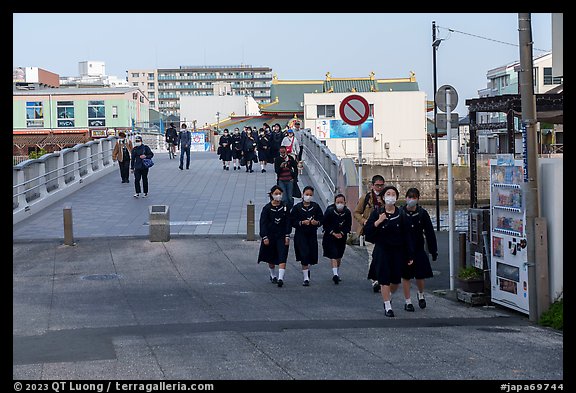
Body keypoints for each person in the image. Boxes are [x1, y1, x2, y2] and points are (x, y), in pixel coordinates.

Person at [364, 185, 414, 317]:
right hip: (382, 250)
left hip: (397, 251)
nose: (390, 197)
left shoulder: (401, 214)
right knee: (384, 278)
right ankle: (387, 306)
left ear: (397, 198)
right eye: (388, 194)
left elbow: (407, 235)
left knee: (395, 281)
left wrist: (409, 254)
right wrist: (378, 222)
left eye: (393, 194)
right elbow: (368, 232)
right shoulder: (377, 213)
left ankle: (389, 296)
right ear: (383, 197)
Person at [400, 187, 438, 310]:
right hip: (404, 249)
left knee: (420, 275)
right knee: (405, 276)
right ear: (406, 198)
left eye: (414, 197)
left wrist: (433, 250)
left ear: (418, 199)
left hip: (418, 247)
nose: (411, 200)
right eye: (409, 197)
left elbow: (430, 232)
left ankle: (420, 294)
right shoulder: (400, 212)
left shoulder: (422, 213)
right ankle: (408, 301)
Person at [353, 174, 386, 293]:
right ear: (372, 186)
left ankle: (382, 278)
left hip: (383, 232)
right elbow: (356, 212)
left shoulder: (386, 198)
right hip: (370, 231)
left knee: (383, 256)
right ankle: (374, 280)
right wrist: (364, 221)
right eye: (377, 185)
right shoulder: (366, 198)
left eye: (382, 185)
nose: (379, 188)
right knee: (372, 255)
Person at [257, 185, 292, 288]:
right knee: (271, 257)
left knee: (282, 255)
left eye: (280, 194)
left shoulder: (285, 207)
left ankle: (281, 278)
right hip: (270, 235)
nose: (278, 196)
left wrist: (287, 235)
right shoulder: (267, 208)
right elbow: (263, 223)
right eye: (276, 194)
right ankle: (273, 275)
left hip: (281, 235)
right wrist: (264, 236)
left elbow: (288, 222)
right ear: (272, 195)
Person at [290, 186, 323, 286]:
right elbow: (292, 221)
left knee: (311, 254)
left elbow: (321, 219)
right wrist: (301, 222)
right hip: (301, 234)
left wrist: (316, 222)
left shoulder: (316, 207)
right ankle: (306, 278)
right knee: (303, 254)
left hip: (312, 234)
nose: (308, 197)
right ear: (303, 195)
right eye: (307, 194)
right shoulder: (297, 208)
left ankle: (307, 268)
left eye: (310, 195)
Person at [322, 194, 352, 285]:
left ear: (345, 202)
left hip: (342, 236)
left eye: (341, 202)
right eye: (338, 202)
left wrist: (342, 233)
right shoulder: (330, 211)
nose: (340, 204)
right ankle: (335, 274)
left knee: (339, 255)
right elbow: (325, 224)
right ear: (335, 203)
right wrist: (333, 233)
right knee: (333, 254)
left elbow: (348, 225)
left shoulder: (347, 212)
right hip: (330, 236)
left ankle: (337, 272)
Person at [274, 145, 298, 211]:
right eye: (281, 153)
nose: (283, 154)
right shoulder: (277, 159)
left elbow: (295, 168)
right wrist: (281, 167)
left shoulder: (290, 158)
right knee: (284, 198)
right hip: (281, 180)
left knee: (290, 197)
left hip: (290, 180)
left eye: (284, 152)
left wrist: (295, 178)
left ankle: (290, 208)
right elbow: (277, 171)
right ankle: (286, 210)